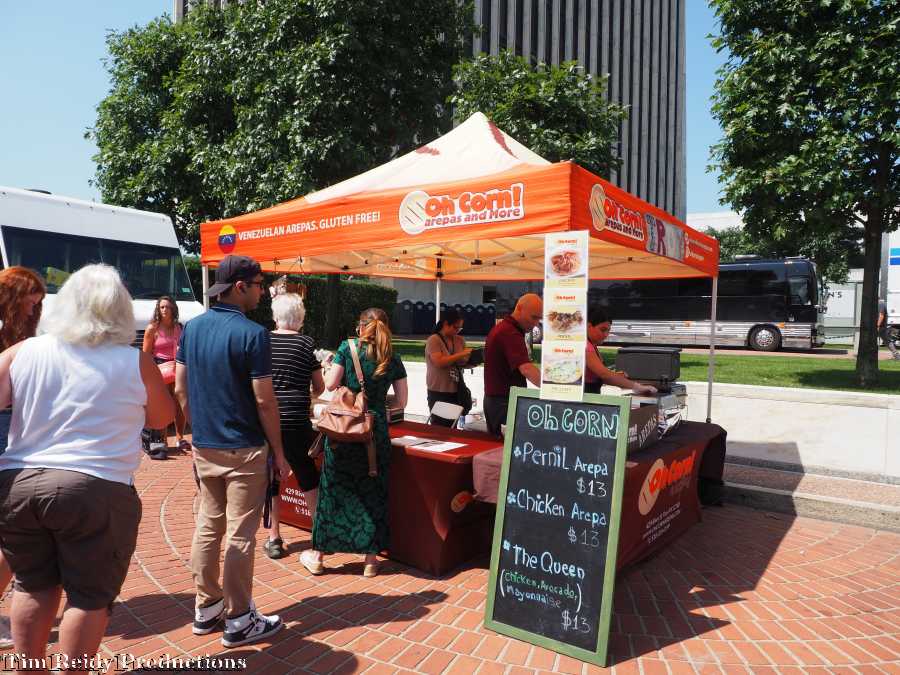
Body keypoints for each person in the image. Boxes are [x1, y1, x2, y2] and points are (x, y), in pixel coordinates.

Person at [0, 264, 173, 664]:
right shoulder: (133, 362)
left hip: (20, 482)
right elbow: (162, 419)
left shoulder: (26, 351)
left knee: (31, 586)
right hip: (97, 487)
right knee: (89, 597)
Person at [174, 255, 290, 648]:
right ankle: (239, 618)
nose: (263, 290)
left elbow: (180, 389)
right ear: (240, 286)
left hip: (206, 446)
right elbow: (264, 401)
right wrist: (278, 450)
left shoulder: (191, 328)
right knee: (240, 536)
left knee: (208, 526)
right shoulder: (253, 334)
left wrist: (195, 430)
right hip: (244, 448)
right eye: (259, 283)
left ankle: (206, 607)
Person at [300, 307, 408, 579]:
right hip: (375, 432)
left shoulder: (347, 349)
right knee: (373, 492)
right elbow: (402, 402)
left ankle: (319, 557)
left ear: (361, 326)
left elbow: (329, 385)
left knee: (333, 490)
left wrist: (329, 372)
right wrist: (376, 403)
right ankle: (370, 561)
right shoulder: (391, 356)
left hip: (343, 431)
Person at [0, 266, 46, 650]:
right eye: (32, 294)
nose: (37, 302)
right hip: (4, 427)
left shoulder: (24, 331)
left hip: (17, 427)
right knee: (11, 530)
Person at [262, 292, 325, 560]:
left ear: (276, 317)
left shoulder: (263, 342)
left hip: (268, 419)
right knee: (307, 475)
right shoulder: (306, 344)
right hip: (297, 419)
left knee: (273, 478)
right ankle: (319, 537)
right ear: (299, 318)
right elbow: (320, 387)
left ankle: (274, 536)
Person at [483, 293, 543, 435]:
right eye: (533, 317)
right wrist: (552, 388)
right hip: (503, 402)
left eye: (539, 319)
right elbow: (526, 369)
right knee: (504, 452)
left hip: (498, 401)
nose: (536, 324)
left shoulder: (506, 328)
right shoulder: (509, 332)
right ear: (519, 309)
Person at [142, 296, 188, 457]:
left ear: (173, 309)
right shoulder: (152, 329)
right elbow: (146, 355)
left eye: (167, 307)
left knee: (179, 402)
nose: (164, 310)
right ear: (158, 309)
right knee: (163, 404)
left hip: (177, 366)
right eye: (161, 307)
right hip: (159, 367)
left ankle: (180, 437)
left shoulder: (179, 327)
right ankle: (162, 439)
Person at [584, 307, 658, 395]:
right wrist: (637, 387)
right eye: (602, 330)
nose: (606, 335)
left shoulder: (592, 345)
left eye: (608, 331)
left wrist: (616, 376)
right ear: (589, 326)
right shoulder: (585, 346)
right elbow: (604, 375)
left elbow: (602, 376)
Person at [425, 308, 472, 427]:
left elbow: (461, 362)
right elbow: (439, 362)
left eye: (460, 328)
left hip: (456, 390)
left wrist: (471, 361)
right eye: (456, 327)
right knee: (439, 427)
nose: (458, 331)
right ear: (446, 324)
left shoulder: (459, 340)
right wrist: (462, 354)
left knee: (453, 426)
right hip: (438, 391)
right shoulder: (434, 340)